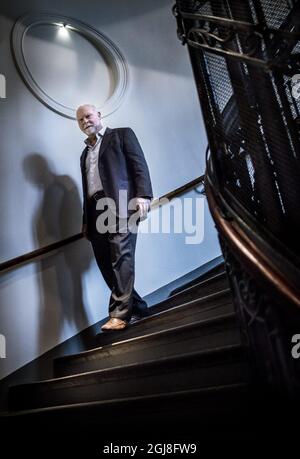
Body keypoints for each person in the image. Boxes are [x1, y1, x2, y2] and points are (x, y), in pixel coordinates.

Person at [76, 104, 153, 331]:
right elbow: (87, 188)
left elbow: (139, 165)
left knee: (121, 257)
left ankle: (119, 314)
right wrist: (86, 221)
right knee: (105, 264)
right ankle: (139, 307)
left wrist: (144, 195)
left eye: (88, 116)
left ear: (98, 115)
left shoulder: (121, 135)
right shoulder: (84, 154)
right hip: (95, 212)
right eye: (80, 120)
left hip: (122, 205)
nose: (85, 121)